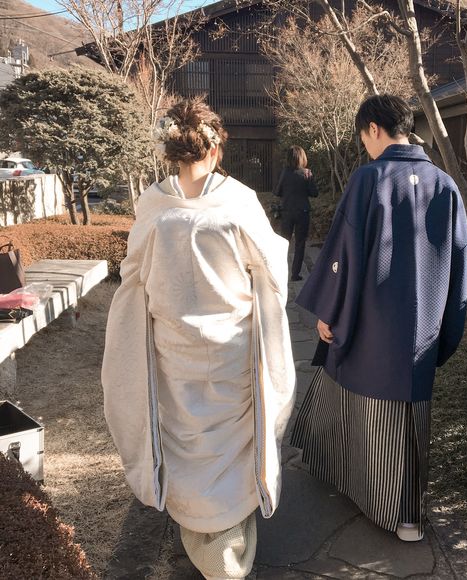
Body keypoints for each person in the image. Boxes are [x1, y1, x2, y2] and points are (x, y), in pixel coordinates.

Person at [101, 97, 296, 580]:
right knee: (234, 451)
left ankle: (207, 541)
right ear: (215, 148)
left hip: (174, 353)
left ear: (170, 151)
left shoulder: (153, 205)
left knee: (186, 448)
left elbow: (133, 277)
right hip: (233, 351)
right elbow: (273, 270)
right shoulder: (239, 201)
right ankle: (227, 552)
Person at [291, 94, 467, 542]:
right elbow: (461, 260)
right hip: (422, 325)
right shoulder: (445, 185)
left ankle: (359, 485)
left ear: (374, 129)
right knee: (407, 410)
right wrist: (446, 326)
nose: (365, 146)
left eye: (363, 137)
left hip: (370, 319)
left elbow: (344, 255)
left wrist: (330, 312)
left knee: (353, 389)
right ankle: (406, 515)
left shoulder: (370, 178)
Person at [274, 145, 318, 281]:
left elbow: (277, 192)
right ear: (302, 158)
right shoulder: (306, 173)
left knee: (283, 243)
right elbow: (314, 193)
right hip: (302, 211)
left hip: (286, 211)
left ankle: (279, 272)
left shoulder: (284, 172)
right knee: (300, 243)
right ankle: (295, 274)